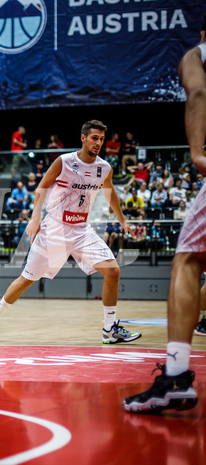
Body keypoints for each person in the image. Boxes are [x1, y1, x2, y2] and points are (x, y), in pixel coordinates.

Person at [0, 120, 141, 345]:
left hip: (82, 230)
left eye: (101, 139)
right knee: (26, 279)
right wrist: (35, 219)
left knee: (113, 271)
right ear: (83, 138)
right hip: (54, 229)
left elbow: (110, 193)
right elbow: (41, 187)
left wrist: (122, 219)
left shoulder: (104, 168)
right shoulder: (64, 162)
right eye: (94, 138)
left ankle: (109, 330)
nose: (98, 143)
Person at [124, 21, 206, 413]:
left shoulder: (197, 54)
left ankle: (175, 376)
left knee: (188, 258)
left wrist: (197, 151)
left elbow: (198, 91)